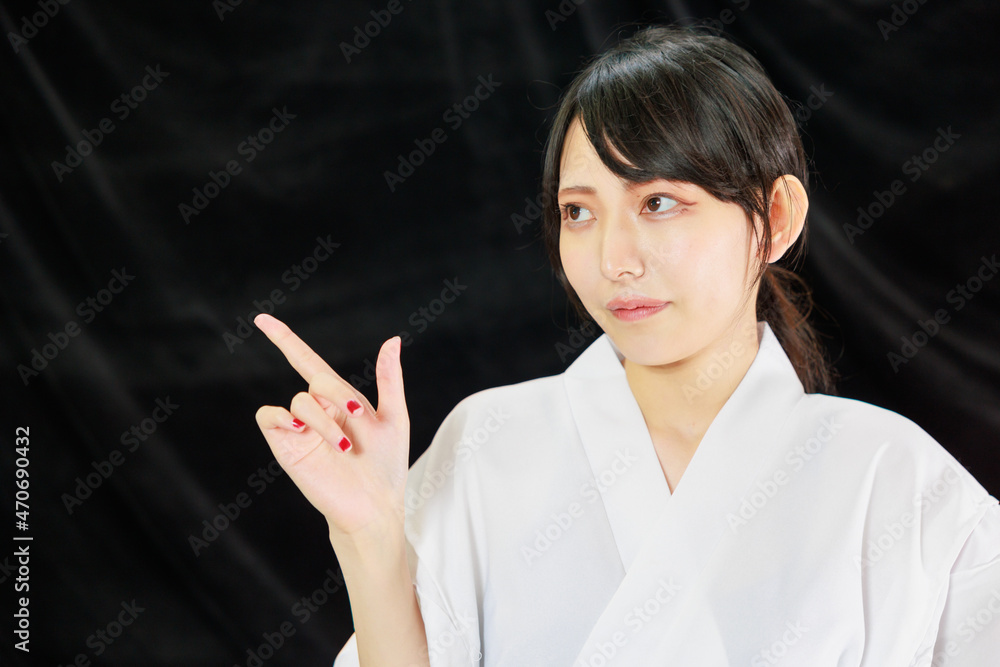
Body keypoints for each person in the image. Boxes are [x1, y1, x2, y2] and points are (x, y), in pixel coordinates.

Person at [253, 25, 1000, 667]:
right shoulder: (486, 445)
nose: (614, 259)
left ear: (776, 216)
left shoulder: (895, 479)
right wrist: (370, 536)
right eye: (579, 212)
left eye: (659, 202)